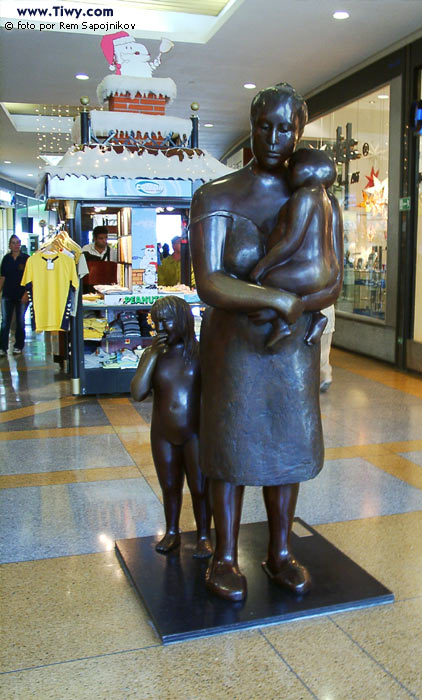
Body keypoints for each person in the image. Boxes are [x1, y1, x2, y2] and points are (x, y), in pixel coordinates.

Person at [190, 83, 342, 602]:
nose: (276, 138)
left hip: (289, 348)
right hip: (234, 345)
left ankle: (280, 550)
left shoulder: (317, 197)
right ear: (251, 125)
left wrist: (305, 306)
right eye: (265, 126)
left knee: (287, 446)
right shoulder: (216, 195)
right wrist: (278, 301)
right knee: (229, 448)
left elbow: (335, 274)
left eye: (287, 128)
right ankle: (225, 554)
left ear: (299, 130)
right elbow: (208, 280)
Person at [130, 296, 212, 558]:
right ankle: (172, 531)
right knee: (170, 486)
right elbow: (138, 392)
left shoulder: (201, 353)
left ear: (182, 320)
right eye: (156, 323)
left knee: (200, 487)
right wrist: (151, 355)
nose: (161, 328)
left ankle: (203, 535)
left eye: (166, 321)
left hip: (195, 432)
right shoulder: (154, 354)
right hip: (163, 433)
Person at [250, 147, 338, 348]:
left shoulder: (305, 196)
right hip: (321, 270)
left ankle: (281, 324)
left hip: (307, 270)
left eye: (293, 167)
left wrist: (261, 267)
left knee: (267, 282)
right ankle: (317, 316)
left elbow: (291, 241)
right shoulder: (326, 199)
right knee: (288, 288)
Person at [0, 235, 29, 357]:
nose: (16, 245)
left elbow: (31, 279)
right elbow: (2, 277)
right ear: (9, 245)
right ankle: (2, 347)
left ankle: (18, 346)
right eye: (13, 243)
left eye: (18, 243)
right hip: (7, 295)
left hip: (21, 295)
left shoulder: (27, 259)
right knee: (5, 322)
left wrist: (27, 294)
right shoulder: (6, 259)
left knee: (20, 321)